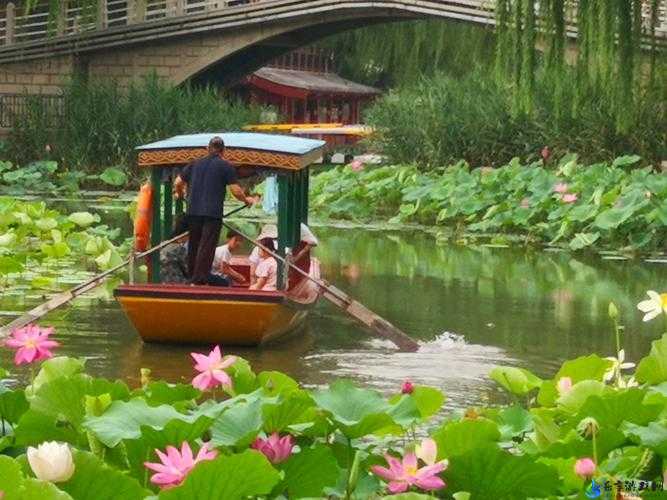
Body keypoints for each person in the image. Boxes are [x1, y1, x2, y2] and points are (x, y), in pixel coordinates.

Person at [173, 136, 256, 285]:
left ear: (207, 149)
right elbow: (236, 191)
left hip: (193, 212)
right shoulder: (226, 166)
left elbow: (178, 182)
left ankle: (192, 277)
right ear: (223, 151)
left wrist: (179, 193)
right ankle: (199, 280)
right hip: (212, 214)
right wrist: (246, 200)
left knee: (194, 244)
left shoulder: (194, 164)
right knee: (207, 246)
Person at [159, 216, 189, 284]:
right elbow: (190, 271)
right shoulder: (179, 249)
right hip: (177, 285)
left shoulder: (164, 246)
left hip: (162, 284)